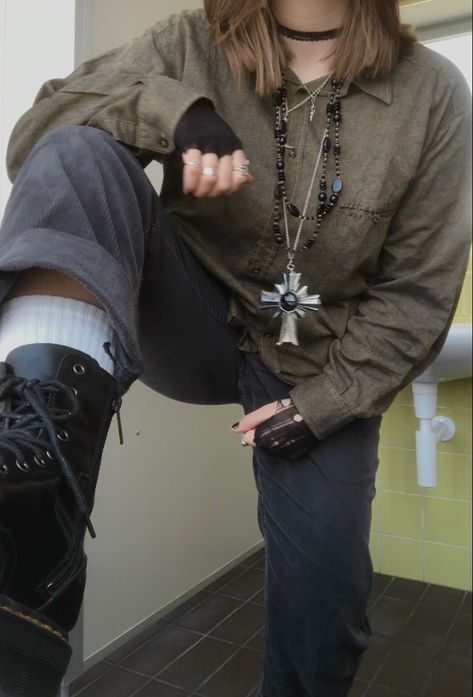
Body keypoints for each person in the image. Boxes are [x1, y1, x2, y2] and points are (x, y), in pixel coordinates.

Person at [0, 0, 471, 695]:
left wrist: (324, 403)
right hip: (191, 317)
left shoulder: (434, 92)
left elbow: (418, 289)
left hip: (320, 364)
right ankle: (29, 516)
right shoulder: (188, 41)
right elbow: (34, 143)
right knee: (79, 151)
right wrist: (174, 110)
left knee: (325, 616)